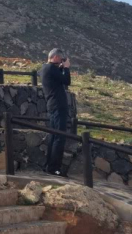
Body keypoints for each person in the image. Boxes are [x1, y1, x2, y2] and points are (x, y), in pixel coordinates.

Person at [40, 47, 72, 175]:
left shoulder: (45, 68)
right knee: (59, 137)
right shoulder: (51, 69)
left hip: (52, 105)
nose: (61, 61)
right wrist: (67, 68)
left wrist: (60, 68)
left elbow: (57, 79)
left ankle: (49, 166)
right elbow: (66, 81)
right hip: (58, 106)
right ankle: (54, 168)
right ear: (55, 57)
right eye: (60, 58)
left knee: (53, 136)